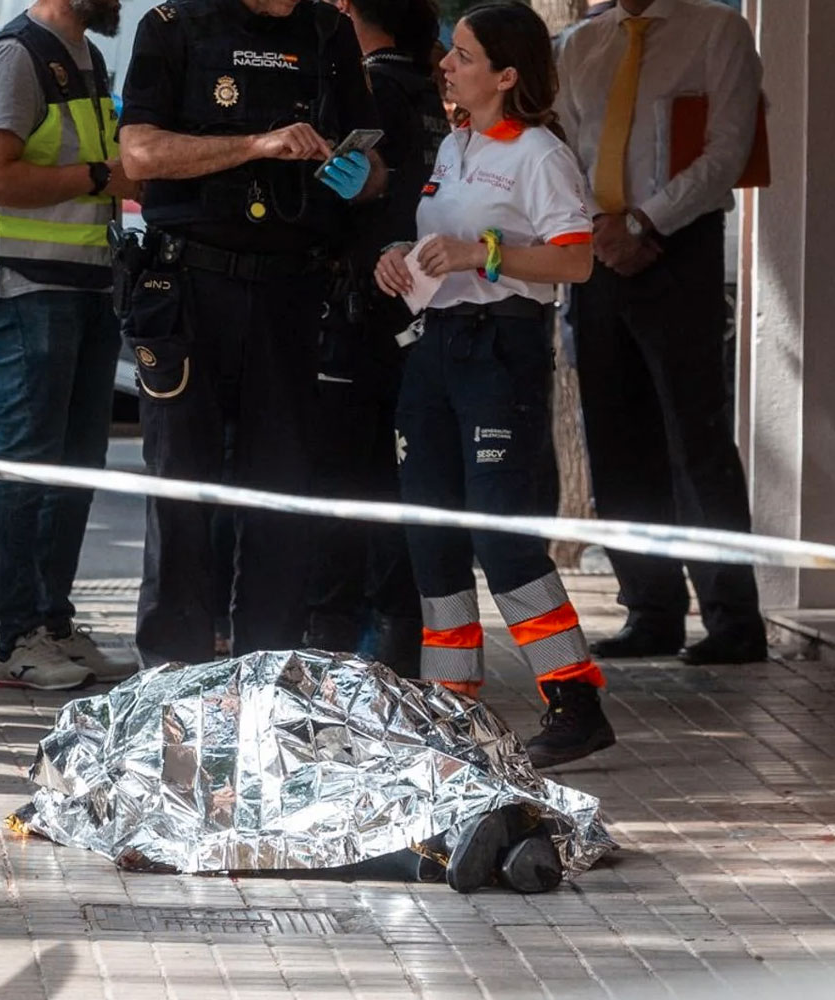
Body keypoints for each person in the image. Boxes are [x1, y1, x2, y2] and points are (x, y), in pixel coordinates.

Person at [374, 0, 612, 769]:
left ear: (507, 76)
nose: (446, 63)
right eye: (451, 52)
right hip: (436, 347)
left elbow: (575, 260)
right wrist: (402, 256)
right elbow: (446, 243)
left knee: (503, 538)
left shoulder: (539, 152)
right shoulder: (454, 144)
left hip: (500, 352)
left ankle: (575, 702)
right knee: (431, 534)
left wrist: (482, 255)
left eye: (465, 55)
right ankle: (451, 707)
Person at [118, 0, 388, 669]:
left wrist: (360, 178)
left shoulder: (327, 33)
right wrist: (256, 145)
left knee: (280, 490)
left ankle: (266, 663)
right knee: (181, 485)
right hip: (190, 289)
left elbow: (375, 162)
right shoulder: (174, 26)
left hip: (289, 293)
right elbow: (140, 150)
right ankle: (171, 669)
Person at [554, 0, 768, 666]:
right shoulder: (580, 44)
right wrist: (601, 226)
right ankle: (651, 610)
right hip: (597, 250)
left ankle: (733, 619)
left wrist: (645, 223)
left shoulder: (718, 30)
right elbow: (562, 151)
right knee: (616, 438)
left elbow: (728, 149)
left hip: (680, 247)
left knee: (694, 437)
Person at [0, 0, 140, 691]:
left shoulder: (86, 54)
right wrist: (97, 177)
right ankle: (19, 635)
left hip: (84, 282)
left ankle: (52, 622)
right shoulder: (16, 54)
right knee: (28, 466)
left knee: (74, 469)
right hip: (23, 284)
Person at [302, 0, 450, 675]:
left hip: (363, 313)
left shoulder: (368, 90)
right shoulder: (431, 93)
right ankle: (393, 645)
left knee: (346, 489)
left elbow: (331, 197)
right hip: (417, 318)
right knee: (398, 482)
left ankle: (346, 659)